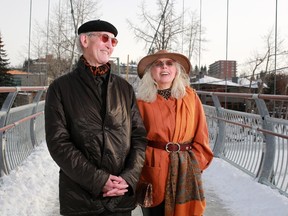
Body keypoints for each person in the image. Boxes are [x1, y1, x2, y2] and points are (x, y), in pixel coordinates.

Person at [45, 19, 147, 216]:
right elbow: (58, 142)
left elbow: (139, 137)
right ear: (85, 40)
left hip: (120, 197)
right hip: (80, 199)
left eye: (114, 41)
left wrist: (128, 178)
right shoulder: (60, 88)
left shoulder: (125, 89)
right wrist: (99, 180)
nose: (110, 44)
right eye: (104, 38)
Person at [136, 50, 214, 216]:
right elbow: (133, 140)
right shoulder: (141, 102)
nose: (164, 66)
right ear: (151, 71)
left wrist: (194, 165)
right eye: (158, 63)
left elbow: (202, 134)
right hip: (152, 169)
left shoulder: (191, 98)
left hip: (185, 169)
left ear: (176, 70)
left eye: (169, 63)